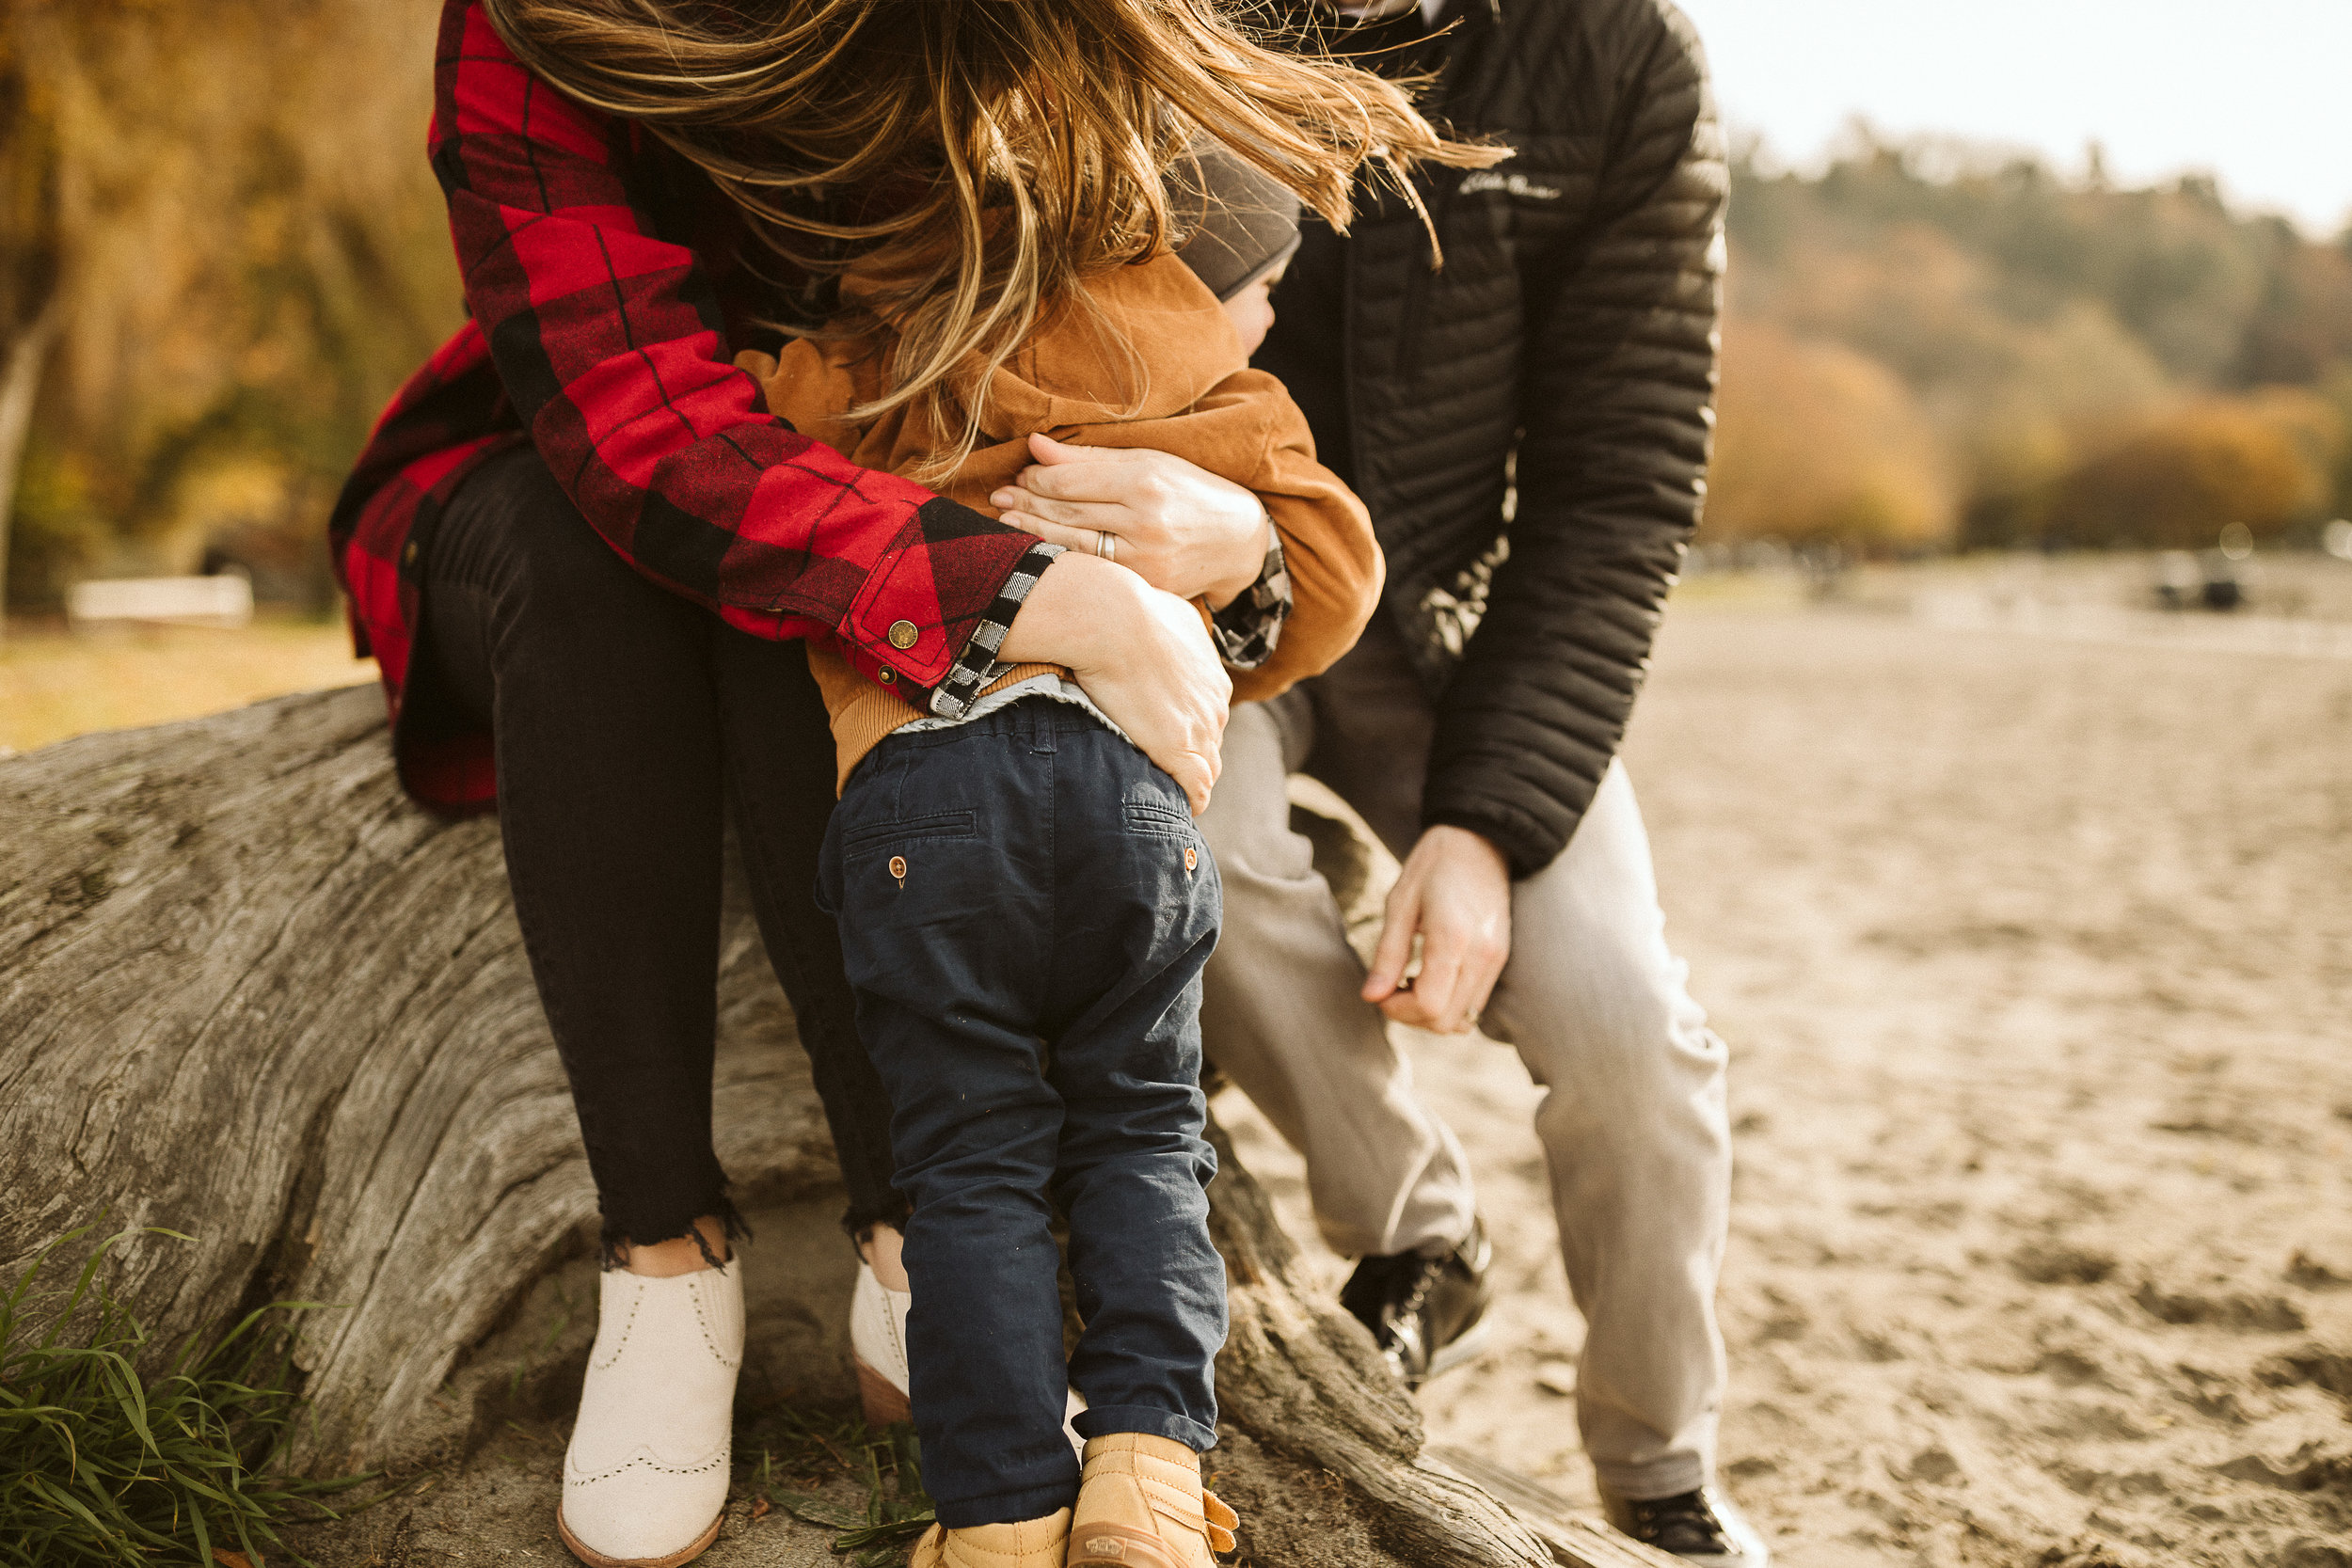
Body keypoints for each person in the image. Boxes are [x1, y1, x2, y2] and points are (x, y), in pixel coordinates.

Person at [327, 3, 1482, 1565]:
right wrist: (1029, 597)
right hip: (571, 469)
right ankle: (664, 1252)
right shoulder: (542, 28)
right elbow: (648, 431)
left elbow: (1167, 398)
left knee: (813, 606)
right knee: (641, 565)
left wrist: (1236, 542)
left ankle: (909, 1237)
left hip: (906, 480)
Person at [987, 1, 1768, 1563]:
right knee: (1185, 853)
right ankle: (1419, 1232)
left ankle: (1659, 1462)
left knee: (1628, 1031)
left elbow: (1617, 493)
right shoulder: (1136, 20)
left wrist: (1484, 828)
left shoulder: (1619, 53)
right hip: (1189, 594)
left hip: (1459, 626)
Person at [748, 124, 1403, 1563]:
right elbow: (1343, 577)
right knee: (1145, 1135)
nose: (1277, 308)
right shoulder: (1224, 400)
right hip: (1130, 798)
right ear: (1186, 268)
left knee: (969, 1162)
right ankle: (1148, 1484)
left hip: (926, 796)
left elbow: (745, 466)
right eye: (1267, 277)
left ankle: (994, 1520)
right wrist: (1240, 540)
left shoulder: (883, 354)